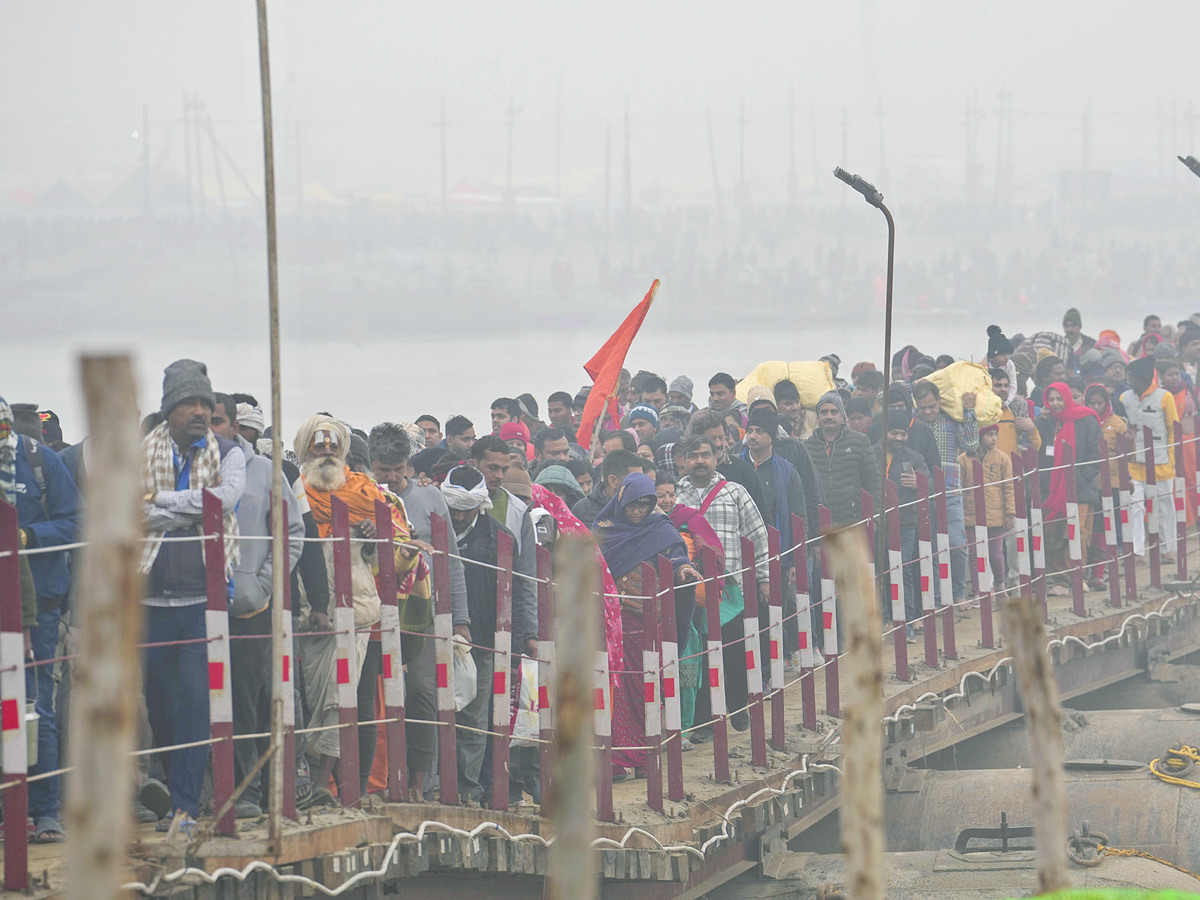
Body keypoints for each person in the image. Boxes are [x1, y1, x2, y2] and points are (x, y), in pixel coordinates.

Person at [139, 360, 245, 835]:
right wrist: (192, 508)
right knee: (158, 704)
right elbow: (127, 509)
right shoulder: (140, 454)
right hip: (148, 601)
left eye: (206, 403)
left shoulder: (230, 452)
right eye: (189, 403)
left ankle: (185, 805)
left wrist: (158, 502)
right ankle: (176, 790)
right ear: (169, 411)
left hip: (204, 599)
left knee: (196, 703)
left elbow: (223, 501)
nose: (200, 411)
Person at [294, 414, 423, 797]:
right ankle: (312, 785)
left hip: (361, 609)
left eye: (334, 446)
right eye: (320, 446)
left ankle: (352, 789)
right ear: (305, 450)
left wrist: (376, 536)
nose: (328, 452)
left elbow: (406, 557)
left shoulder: (369, 494)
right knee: (306, 698)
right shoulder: (294, 492)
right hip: (306, 608)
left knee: (355, 701)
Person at [210, 395, 305, 818]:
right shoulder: (179, 470)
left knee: (246, 701)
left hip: (247, 608)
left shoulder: (266, 472)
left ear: (234, 425)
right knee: (191, 702)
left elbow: (293, 532)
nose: (210, 429)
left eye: (217, 420)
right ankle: (195, 796)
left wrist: (263, 584)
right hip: (189, 606)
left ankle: (245, 792)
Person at [368, 422, 465, 799]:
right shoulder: (365, 496)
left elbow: (451, 561)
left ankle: (417, 782)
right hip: (375, 611)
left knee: (424, 690)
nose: (391, 477)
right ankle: (378, 779)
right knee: (377, 692)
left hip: (424, 611)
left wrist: (461, 618)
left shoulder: (431, 499)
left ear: (408, 464)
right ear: (371, 466)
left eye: (397, 469)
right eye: (383, 470)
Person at [5, 393, 81, 843]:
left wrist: (27, 535)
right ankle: (10, 809)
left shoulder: (42, 463)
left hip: (40, 606)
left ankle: (46, 810)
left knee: (37, 707)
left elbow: (76, 524)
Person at [593, 473, 699, 780]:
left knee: (643, 688)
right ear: (620, 502)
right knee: (612, 688)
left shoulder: (659, 529)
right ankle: (614, 760)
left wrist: (685, 569)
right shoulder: (604, 529)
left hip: (645, 623)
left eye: (644, 505)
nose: (637, 512)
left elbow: (676, 555)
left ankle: (640, 756)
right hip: (608, 624)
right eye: (632, 506)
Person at [675, 435, 770, 738]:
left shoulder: (735, 492)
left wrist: (764, 576)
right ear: (684, 461)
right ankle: (705, 721)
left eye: (705, 454)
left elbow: (757, 535)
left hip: (731, 588)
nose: (699, 461)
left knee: (733, 649)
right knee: (700, 653)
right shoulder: (675, 496)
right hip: (691, 589)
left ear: (716, 458)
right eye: (693, 456)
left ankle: (739, 705)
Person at [439, 465, 518, 804]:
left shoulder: (499, 537)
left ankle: (468, 787)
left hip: (482, 641)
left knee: (473, 715)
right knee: (434, 709)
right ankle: (437, 783)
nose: (458, 515)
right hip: (435, 635)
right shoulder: (431, 529)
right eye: (453, 507)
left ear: (480, 504)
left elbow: (518, 590)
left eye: (466, 508)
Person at [741, 407, 807, 659]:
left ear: (772, 437)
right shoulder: (738, 466)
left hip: (779, 549)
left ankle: (791, 652)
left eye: (760, 431)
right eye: (750, 430)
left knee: (784, 603)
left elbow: (798, 516)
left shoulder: (787, 472)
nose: (753, 436)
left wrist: (794, 559)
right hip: (746, 550)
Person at [912, 380, 978, 605]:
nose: (928, 412)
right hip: (921, 493)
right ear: (916, 406)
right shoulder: (911, 424)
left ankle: (958, 593)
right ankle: (937, 597)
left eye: (932, 406)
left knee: (957, 544)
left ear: (939, 401)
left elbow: (970, 444)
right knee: (928, 549)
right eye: (923, 408)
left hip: (950, 491)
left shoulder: (951, 420)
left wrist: (969, 411)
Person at [1035, 382, 1102, 595]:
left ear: (1067, 398)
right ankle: (1060, 580)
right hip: (1053, 488)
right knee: (1054, 531)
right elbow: (1036, 447)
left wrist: (1079, 478)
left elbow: (1096, 454)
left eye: (1059, 399)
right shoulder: (1049, 422)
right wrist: (1040, 422)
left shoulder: (1086, 419)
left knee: (1077, 531)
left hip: (1080, 486)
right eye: (1051, 399)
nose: (1055, 403)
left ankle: (1077, 576)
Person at [1120, 357, 1179, 562]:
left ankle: (1166, 549)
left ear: (1142, 378)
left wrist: (1171, 460)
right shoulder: (1124, 398)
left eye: (1132, 377)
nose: (1128, 380)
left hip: (1161, 462)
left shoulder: (1165, 397)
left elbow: (1173, 429)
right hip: (1133, 464)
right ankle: (1136, 551)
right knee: (1135, 505)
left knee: (1164, 505)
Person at [879, 409, 929, 633]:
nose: (899, 438)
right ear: (884, 432)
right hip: (878, 525)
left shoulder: (915, 458)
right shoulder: (870, 454)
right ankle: (886, 618)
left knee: (903, 570)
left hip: (906, 523)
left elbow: (934, 486)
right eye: (894, 433)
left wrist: (920, 484)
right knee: (880, 571)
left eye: (903, 433)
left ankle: (906, 620)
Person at [803, 391, 881, 526]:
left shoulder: (860, 442)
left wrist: (874, 517)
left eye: (834, 412)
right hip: (819, 524)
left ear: (842, 416)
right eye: (824, 412)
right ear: (818, 417)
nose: (829, 416)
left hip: (853, 522)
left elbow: (873, 482)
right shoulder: (807, 447)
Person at [959, 423, 1014, 594]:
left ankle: (999, 583)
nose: (994, 438)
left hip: (996, 514)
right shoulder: (963, 459)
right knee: (975, 555)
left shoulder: (1002, 458)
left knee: (996, 555)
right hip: (972, 514)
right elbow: (959, 488)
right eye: (989, 434)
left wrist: (1010, 513)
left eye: (995, 434)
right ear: (978, 437)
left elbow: (1009, 487)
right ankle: (978, 591)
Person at [685, 411, 765, 511]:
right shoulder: (688, 471)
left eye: (721, 437)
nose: (718, 444)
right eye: (712, 439)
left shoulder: (744, 471)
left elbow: (760, 515)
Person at [571, 448, 643, 525]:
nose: (641, 484)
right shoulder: (583, 510)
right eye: (635, 479)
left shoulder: (645, 506)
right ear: (613, 481)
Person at [986, 325, 1018, 403]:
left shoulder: (1009, 365)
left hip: (1006, 399)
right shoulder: (983, 366)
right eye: (1003, 355)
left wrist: (1006, 403)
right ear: (993, 355)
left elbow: (1013, 386)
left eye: (1008, 354)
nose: (1007, 358)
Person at [1062, 308, 1095, 372]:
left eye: (1073, 326)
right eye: (1066, 326)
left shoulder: (1091, 344)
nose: (1069, 329)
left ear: (1079, 327)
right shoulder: (1059, 345)